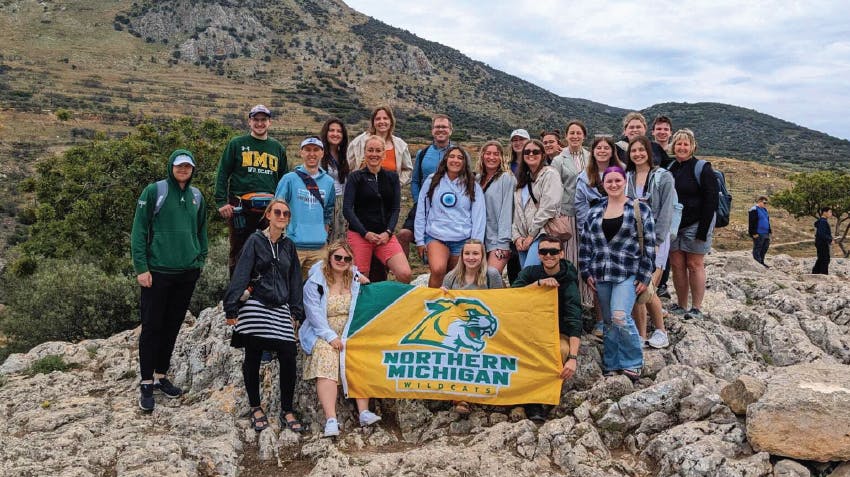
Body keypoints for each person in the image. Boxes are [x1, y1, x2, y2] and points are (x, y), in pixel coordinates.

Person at [131, 149, 208, 412]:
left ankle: (162, 375)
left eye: (188, 166)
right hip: (158, 272)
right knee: (152, 326)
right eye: (179, 166)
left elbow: (201, 231)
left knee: (173, 325)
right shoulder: (155, 191)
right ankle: (146, 381)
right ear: (171, 167)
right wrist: (141, 267)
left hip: (186, 274)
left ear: (193, 169)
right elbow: (139, 230)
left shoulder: (197, 196)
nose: (184, 170)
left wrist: (200, 259)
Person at [223, 199, 305, 433]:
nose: (281, 216)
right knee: (254, 355)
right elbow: (242, 271)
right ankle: (255, 407)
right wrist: (231, 306)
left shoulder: (289, 246)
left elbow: (295, 280)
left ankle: (287, 409)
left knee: (288, 356)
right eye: (277, 212)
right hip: (256, 303)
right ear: (268, 215)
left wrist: (296, 311)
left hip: (280, 306)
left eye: (286, 213)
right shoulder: (255, 240)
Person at [579, 166, 654, 382]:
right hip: (601, 272)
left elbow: (648, 244)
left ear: (624, 181)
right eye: (609, 181)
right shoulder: (595, 210)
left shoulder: (639, 209)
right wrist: (586, 271)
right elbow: (586, 244)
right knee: (609, 321)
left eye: (617, 181)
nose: (613, 185)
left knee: (620, 316)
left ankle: (632, 361)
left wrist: (645, 275)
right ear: (603, 184)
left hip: (627, 271)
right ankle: (611, 362)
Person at [301, 241, 381, 437]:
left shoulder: (353, 277)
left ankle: (363, 412)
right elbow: (313, 314)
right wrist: (330, 337)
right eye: (338, 257)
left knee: (359, 356)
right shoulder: (316, 282)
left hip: (350, 330)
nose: (342, 261)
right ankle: (331, 419)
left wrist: (365, 282)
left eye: (346, 258)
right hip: (323, 331)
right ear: (329, 258)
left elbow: (369, 292)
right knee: (326, 357)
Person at [512, 234, 583, 421]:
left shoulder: (568, 279)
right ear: (538, 254)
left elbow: (574, 317)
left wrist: (573, 358)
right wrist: (537, 285)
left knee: (559, 350)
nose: (548, 255)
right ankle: (525, 400)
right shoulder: (530, 273)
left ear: (561, 254)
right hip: (531, 330)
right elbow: (512, 296)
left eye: (553, 252)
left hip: (558, 332)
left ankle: (540, 400)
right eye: (544, 251)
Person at [215, 105, 288, 277]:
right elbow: (223, 172)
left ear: (270, 122)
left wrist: (283, 207)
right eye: (256, 119)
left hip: (269, 209)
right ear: (249, 122)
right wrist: (221, 201)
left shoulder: (277, 148)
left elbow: (284, 180)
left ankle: (265, 294)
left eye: (263, 120)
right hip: (241, 207)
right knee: (239, 252)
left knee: (271, 250)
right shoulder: (237, 144)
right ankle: (236, 295)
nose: (260, 123)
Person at [347, 106, 412, 282]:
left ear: (384, 154)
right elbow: (347, 209)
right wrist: (365, 233)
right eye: (370, 150)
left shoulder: (392, 177)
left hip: (385, 235)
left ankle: (394, 305)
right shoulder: (355, 178)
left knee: (405, 274)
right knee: (361, 279)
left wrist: (389, 232)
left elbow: (396, 208)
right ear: (364, 152)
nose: (374, 154)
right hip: (361, 234)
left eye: (378, 151)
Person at [440, 239, 505, 415]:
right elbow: (443, 307)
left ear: (482, 256)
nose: (471, 257)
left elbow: (502, 303)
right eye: (467, 253)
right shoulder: (451, 277)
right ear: (461, 256)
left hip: (485, 330)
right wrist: (441, 294)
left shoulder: (492, 275)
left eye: (475, 253)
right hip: (460, 330)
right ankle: (461, 398)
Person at [626, 136, 676, 349]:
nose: (637, 154)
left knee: (649, 286)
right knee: (636, 285)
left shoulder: (663, 177)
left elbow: (666, 211)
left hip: (655, 239)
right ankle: (639, 333)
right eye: (633, 150)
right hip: (632, 238)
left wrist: (657, 240)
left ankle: (660, 331)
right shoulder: (627, 176)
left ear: (649, 152)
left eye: (641, 150)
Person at [415, 145, 485, 288]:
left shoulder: (472, 185)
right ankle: (432, 304)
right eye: (452, 156)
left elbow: (479, 217)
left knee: (456, 278)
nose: (455, 160)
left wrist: (476, 243)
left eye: (460, 158)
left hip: (462, 239)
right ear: (446, 159)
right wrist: (420, 240)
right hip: (436, 236)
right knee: (438, 269)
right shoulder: (432, 181)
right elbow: (422, 211)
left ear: (465, 162)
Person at [667, 129, 718, 320]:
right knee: (677, 264)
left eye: (685, 144)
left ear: (692, 147)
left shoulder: (702, 168)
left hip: (696, 224)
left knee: (694, 264)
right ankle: (681, 305)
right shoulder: (670, 168)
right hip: (674, 225)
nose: (681, 147)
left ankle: (696, 307)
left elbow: (711, 200)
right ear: (673, 146)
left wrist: (703, 230)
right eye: (678, 144)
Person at [274, 137, 336, 279]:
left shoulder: (328, 182)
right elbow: (277, 207)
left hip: (319, 249)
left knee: (314, 290)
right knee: (288, 287)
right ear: (301, 153)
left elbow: (328, 210)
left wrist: (323, 233)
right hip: (293, 246)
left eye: (316, 150)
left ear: (322, 153)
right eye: (307, 150)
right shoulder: (289, 179)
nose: (311, 154)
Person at [398, 114, 456, 258]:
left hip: (449, 207)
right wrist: (419, 201)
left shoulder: (458, 154)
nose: (440, 130)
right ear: (432, 130)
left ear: (450, 130)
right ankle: (404, 277)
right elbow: (416, 181)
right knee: (403, 235)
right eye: (437, 127)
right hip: (423, 205)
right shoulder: (422, 153)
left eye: (444, 127)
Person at [551, 120, 591, 306]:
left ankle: (587, 299)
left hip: (589, 213)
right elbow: (555, 188)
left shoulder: (590, 157)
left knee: (587, 255)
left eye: (578, 133)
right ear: (566, 136)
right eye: (571, 133)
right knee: (570, 258)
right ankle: (570, 300)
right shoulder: (559, 160)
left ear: (584, 135)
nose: (575, 136)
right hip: (567, 213)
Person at [512, 139, 563, 270]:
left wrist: (531, 236)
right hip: (523, 238)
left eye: (536, 151)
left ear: (543, 155)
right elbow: (516, 212)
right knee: (528, 278)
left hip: (541, 234)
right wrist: (517, 237)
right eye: (527, 151)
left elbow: (548, 208)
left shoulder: (550, 174)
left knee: (530, 272)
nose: (531, 154)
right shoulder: (523, 179)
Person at [347, 105, 413, 185]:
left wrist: (397, 184)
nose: (382, 121)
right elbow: (348, 167)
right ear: (373, 122)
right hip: (362, 193)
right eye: (378, 119)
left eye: (385, 118)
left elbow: (407, 169)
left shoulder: (401, 146)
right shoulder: (359, 142)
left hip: (389, 195)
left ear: (391, 121)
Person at [477, 141, 516, 273]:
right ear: (482, 156)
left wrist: (503, 243)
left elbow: (508, 211)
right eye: (488, 153)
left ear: (502, 157)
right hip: (480, 239)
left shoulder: (507, 178)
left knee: (491, 275)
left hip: (498, 240)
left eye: (496, 154)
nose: (491, 157)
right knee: (483, 281)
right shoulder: (478, 179)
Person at [320, 118, 351, 242]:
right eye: (331, 130)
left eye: (339, 131)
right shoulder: (319, 153)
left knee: (338, 243)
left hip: (341, 204)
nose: (335, 134)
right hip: (324, 203)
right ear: (326, 133)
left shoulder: (344, 156)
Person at [748, 195, 771, 267]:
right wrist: (753, 233)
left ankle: (761, 262)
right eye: (764, 203)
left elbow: (767, 220)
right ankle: (757, 264)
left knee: (764, 248)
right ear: (759, 201)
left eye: (766, 203)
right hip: (758, 232)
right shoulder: (754, 209)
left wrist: (769, 231)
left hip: (766, 233)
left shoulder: (765, 210)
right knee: (758, 248)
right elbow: (751, 222)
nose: (765, 204)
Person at [813, 206, 834, 274]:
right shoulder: (823, 222)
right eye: (830, 212)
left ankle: (815, 273)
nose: (831, 214)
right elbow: (822, 234)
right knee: (825, 259)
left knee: (822, 258)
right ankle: (823, 274)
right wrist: (830, 239)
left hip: (821, 243)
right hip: (822, 243)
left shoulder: (822, 221)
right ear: (824, 212)